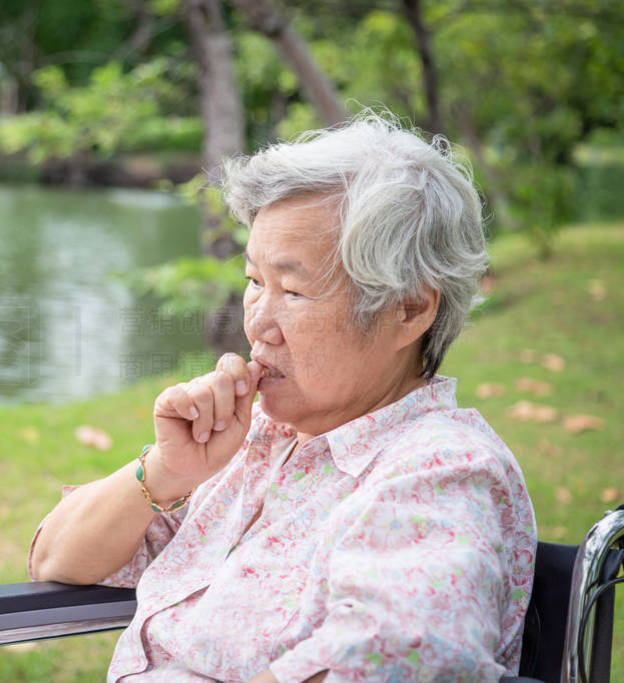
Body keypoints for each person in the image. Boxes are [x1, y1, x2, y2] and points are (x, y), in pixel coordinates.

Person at [28, 112, 536, 682]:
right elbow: (57, 558)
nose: (258, 326)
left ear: (410, 309)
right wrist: (168, 469)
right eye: (254, 282)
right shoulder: (263, 443)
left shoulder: (436, 472)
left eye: (293, 291)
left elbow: (402, 658)